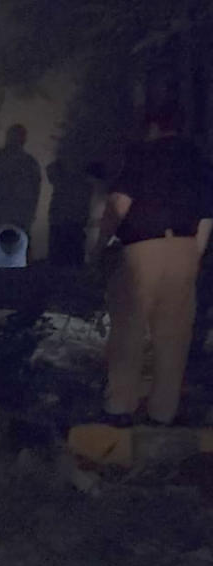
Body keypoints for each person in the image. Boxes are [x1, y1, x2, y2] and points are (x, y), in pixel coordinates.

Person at [92, 105, 213, 425]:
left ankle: (120, 406)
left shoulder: (143, 155)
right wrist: (194, 255)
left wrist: (100, 245)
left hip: (142, 248)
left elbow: (119, 204)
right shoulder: (197, 160)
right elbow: (206, 215)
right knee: (173, 334)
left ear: (153, 127)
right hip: (185, 247)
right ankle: (163, 411)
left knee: (129, 329)